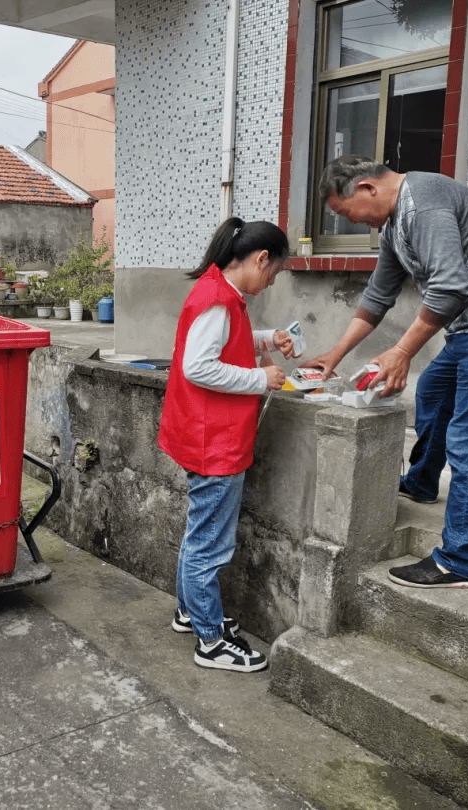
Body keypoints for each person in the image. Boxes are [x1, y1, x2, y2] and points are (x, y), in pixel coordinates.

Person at [306, 155, 468, 589]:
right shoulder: (394, 225)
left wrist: (401, 351)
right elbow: (378, 295)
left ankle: (456, 560)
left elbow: (450, 287)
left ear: (366, 188)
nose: (354, 223)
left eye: (347, 214)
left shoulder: (424, 201)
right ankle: (421, 482)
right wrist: (334, 355)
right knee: (433, 391)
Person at [157, 217, 296, 673]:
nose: (270, 281)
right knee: (209, 546)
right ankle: (211, 641)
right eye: (273, 272)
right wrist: (261, 377)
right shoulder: (218, 300)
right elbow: (199, 366)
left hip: (202, 434)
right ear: (260, 259)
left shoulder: (219, 292)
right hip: (214, 441)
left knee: (199, 535)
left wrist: (267, 339)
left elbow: (226, 342)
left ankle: (190, 613)